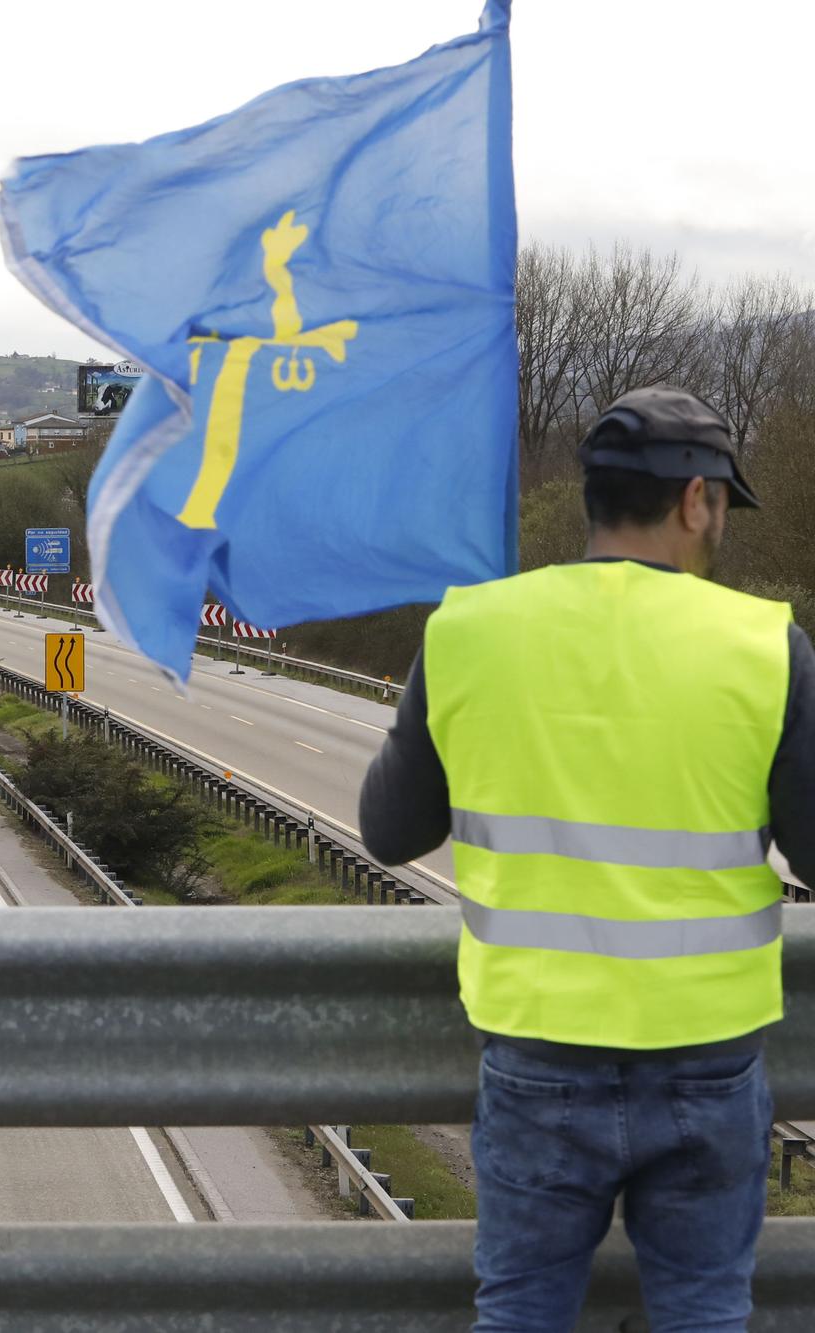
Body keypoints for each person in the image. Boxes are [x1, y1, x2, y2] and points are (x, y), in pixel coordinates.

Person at [360, 385, 815, 1332]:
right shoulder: (767, 643)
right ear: (697, 499)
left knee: (520, 1310)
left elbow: (389, 832)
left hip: (538, 1048)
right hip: (709, 1053)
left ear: (593, 498)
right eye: (723, 503)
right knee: (705, 1310)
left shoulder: (468, 628)